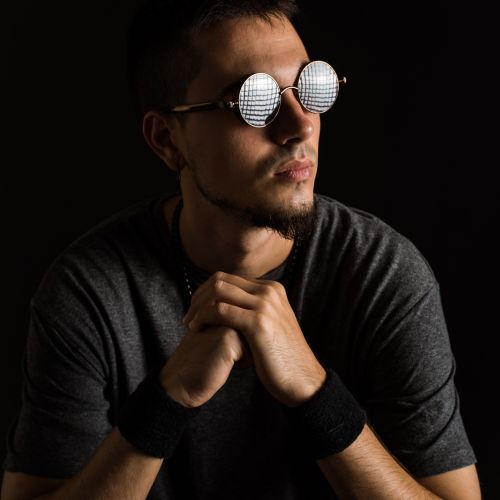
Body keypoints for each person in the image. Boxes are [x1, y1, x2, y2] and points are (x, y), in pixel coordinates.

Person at [2, 0, 481, 498]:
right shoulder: (91, 291)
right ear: (167, 139)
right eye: (255, 100)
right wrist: (167, 400)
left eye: (311, 87)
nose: (301, 126)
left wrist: (315, 393)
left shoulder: (383, 274)